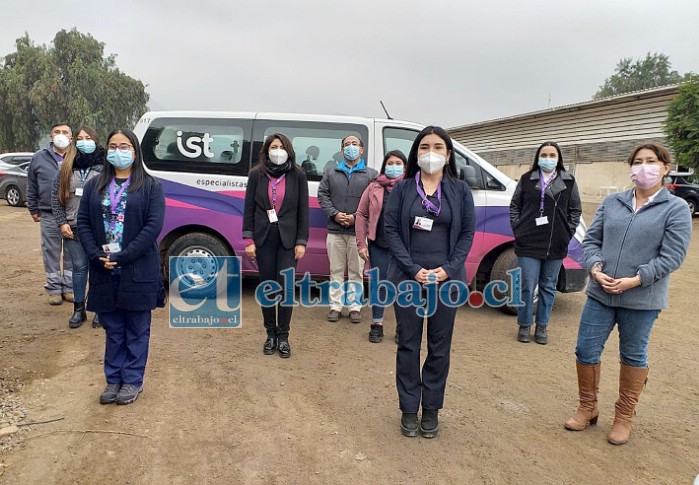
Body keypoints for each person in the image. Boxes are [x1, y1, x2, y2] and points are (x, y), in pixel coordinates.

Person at [564, 143, 691, 445]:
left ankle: (624, 415)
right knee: (585, 350)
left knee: (632, 355)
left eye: (651, 161)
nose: (643, 167)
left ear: (665, 167)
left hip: (641, 299)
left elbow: (672, 256)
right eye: (638, 161)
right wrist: (594, 269)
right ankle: (587, 406)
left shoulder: (676, 209)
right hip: (600, 293)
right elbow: (591, 241)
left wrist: (636, 280)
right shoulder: (613, 202)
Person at [384, 126, 476, 438]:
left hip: (446, 281)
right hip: (408, 278)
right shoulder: (402, 189)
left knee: (439, 346)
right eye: (425, 147)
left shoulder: (460, 191)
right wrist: (412, 269)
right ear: (416, 153)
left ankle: (432, 408)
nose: (431, 152)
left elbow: (466, 234)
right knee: (408, 343)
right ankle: (409, 407)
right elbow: (391, 231)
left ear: (448, 154)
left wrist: (449, 269)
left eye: (438, 147)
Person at [77, 129, 166, 405]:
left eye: (124, 146)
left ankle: (132, 380)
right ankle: (113, 379)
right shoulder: (95, 185)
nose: (119, 150)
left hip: (137, 269)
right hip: (104, 269)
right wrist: (94, 254)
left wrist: (124, 256)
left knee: (137, 329)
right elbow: (83, 222)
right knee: (113, 329)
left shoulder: (151, 186)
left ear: (135, 151)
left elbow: (152, 227)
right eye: (113, 146)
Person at [243, 133, 309, 358]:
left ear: (288, 150)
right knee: (268, 287)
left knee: (286, 288)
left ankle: (284, 336)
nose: (277, 150)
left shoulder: (298, 175)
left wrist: (302, 241)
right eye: (273, 146)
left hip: (289, 241)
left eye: (281, 146)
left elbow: (303, 211)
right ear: (266, 150)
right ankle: (270, 334)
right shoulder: (256, 174)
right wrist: (248, 239)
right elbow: (249, 208)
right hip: (263, 239)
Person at [509, 142, 581, 344]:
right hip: (528, 243)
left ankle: (542, 326)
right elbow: (515, 205)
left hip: (555, 244)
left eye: (552, 154)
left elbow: (575, 210)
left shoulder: (568, 181)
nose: (548, 158)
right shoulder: (527, 179)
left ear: (558, 158)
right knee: (527, 285)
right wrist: (518, 229)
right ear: (537, 157)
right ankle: (524, 325)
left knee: (548, 287)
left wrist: (567, 232)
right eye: (544, 154)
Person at [317, 135, 377, 324]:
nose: (351, 147)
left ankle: (354, 307)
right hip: (335, 230)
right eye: (347, 145)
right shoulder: (331, 172)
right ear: (342, 151)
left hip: (358, 234)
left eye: (355, 144)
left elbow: (374, 202)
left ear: (361, 149)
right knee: (335, 269)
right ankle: (335, 306)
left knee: (356, 271)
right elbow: (323, 195)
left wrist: (356, 217)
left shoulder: (371, 175)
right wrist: (334, 214)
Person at [51, 126, 105, 328]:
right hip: (72, 228)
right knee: (80, 268)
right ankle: (79, 310)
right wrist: (61, 222)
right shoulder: (66, 166)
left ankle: (99, 309)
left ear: (96, 140)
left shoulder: (106, 165)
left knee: (99, 268)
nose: (84, 141)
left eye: (88, 137)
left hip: (98, 229)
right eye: (80, 138)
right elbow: (56, 199)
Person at [355, 150, 406, 343]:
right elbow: (361, 214)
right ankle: (377, 324)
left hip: (403, 247)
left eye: (398, 163)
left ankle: (403, 327)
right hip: (378, 244)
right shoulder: (374, 187)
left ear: (405, 166)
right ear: (385, 166)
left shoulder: (411, 187)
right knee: (379, 285)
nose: (394, 166)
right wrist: (362, 243)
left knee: (402, 286)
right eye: (390, 163)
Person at [27, 123, 74, 305]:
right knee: (51, 252)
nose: (60, 135)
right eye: (57, 132)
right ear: (50, 136)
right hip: (48, 213)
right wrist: (33, 208)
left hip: (72, 213)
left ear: (71, 137)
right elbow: (32, 184)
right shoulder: (39, 157)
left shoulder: (77, 157)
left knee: (72, 253)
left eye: (64, 132)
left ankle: (69, 288)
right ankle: (54, 288)